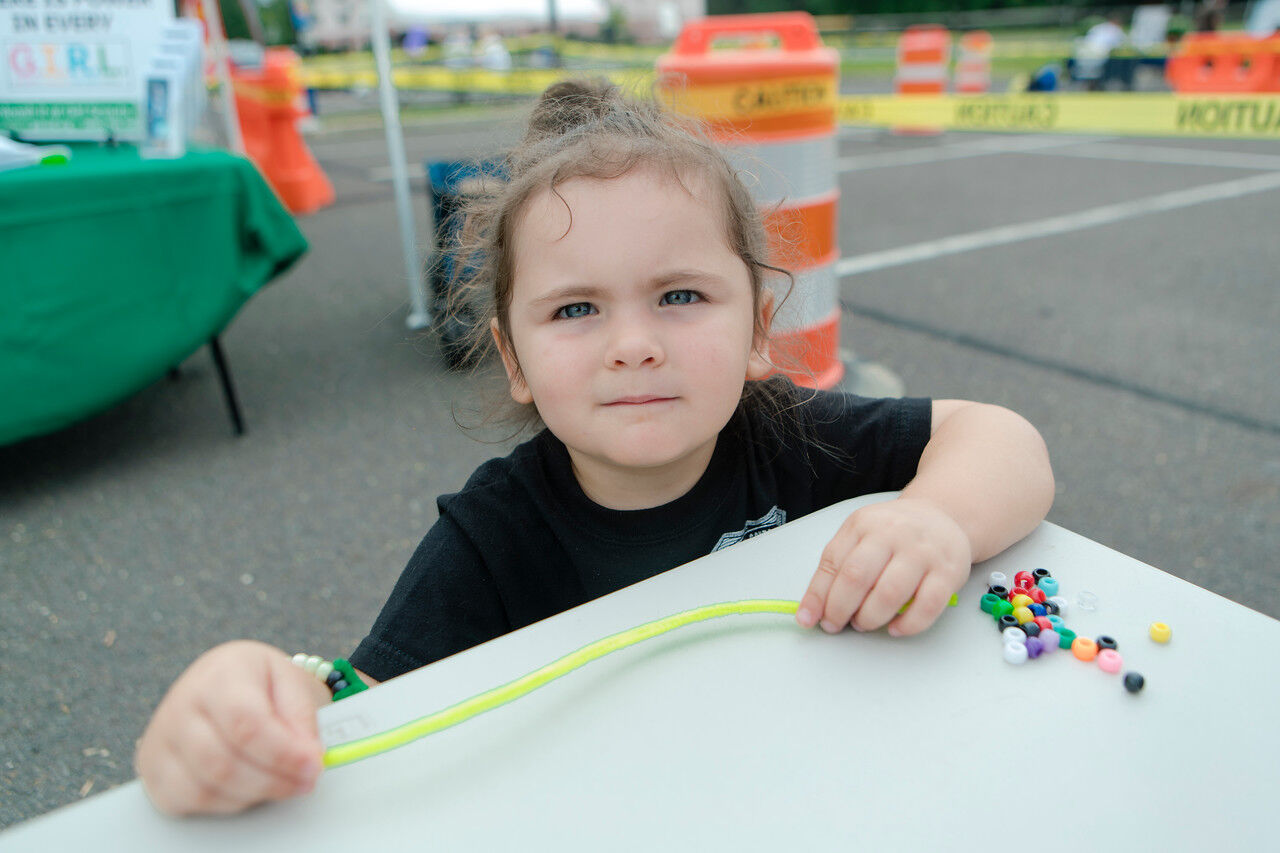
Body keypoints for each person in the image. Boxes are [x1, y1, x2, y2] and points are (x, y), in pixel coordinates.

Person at [134, 79, 1055, 816]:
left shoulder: (792, 438)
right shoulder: (497, 532)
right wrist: (255, 706)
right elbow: (359, 707)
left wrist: (935, 519)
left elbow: (1004, 441)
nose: (633, 343)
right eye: (576, 309)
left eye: (681, 296)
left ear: (759, 330)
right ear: (515, 358)